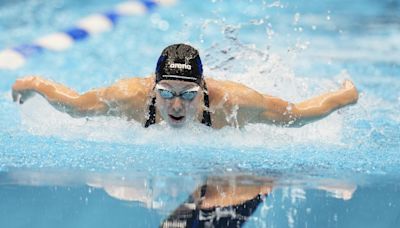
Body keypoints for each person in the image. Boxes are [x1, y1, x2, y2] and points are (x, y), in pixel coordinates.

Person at [11, 43, 358, 129]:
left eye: (188, 95)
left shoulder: (232, 105)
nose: (176, 106)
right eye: (165, 93)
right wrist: (33, 83)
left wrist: (345, 96)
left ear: (203, 90)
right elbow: (73, 105)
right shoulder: (129, 97)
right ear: (153, 88)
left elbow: (296, 115)